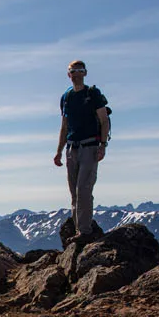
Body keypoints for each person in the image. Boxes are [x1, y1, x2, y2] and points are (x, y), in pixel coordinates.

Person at [54, 60, 110, 239]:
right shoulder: (66, 97)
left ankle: (84, 231)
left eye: (80, 70)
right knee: (74, 192)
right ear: (68, 75)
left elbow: (104, 120)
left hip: (90, 146)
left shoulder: (92, 94)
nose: (76, 74)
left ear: (85, 73)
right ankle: (79, 229)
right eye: (73, 71)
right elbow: (64, 126)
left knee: (84, 189)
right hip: (72, 148)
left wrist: (102, 145)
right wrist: (58, 151)